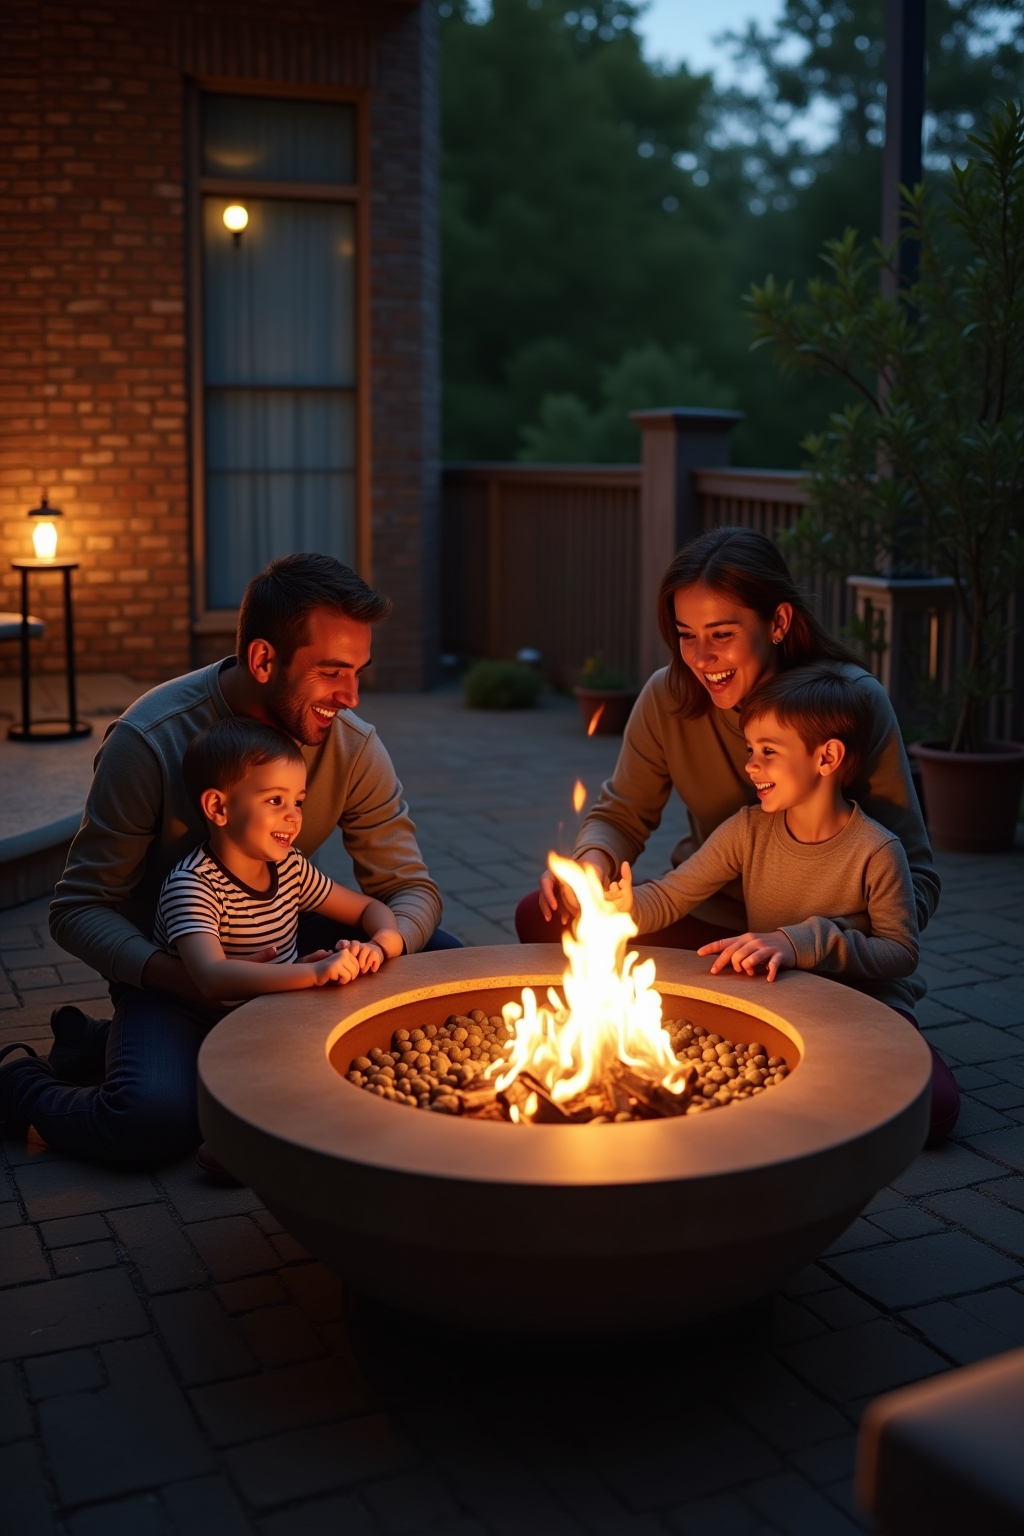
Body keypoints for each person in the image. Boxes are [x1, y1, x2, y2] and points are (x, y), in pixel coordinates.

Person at [0, 553, 454, 1164]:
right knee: (151, 1121)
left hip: (280, 932)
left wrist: (377, 948)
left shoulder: (351, 746)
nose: (350, 696)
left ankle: (99, 1045)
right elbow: (79, 909)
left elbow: (410, 894)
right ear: (264, 660)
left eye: (358, 672)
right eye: (331, 672)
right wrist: (184, 979)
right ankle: (20, 1084)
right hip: (172, 959)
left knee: (452, 967)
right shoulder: (149, 741)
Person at [518, 527, 940, 955]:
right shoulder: (669, 695)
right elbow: (622, 815)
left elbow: (916, 880)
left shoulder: (851, 702)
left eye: (722, 634)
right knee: (543, 916)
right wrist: (592, 868)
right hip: (702, 913)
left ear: (778, 622)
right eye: (686, 635)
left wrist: (812, 941)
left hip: (817, 941)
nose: (701, 658)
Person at [605, 665, 955, 1141]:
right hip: (781, 995)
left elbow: (900, 952)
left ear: (827, 757)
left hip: (863, 1001)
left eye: (768, 752)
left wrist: (803, 943)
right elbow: (674, 892)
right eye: (750, 749)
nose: (751, 765)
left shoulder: (877, 849)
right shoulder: (748, 830)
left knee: (933, 1113)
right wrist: (627, 905)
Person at [156, 719, 404, 1002]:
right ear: (218, 807)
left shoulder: (291, 868)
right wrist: (313, 973)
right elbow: (213, 978)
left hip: (271, 1011)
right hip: (198, 1019)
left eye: (298, 802)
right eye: (275, 800)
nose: (294, 816)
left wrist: (381, 943)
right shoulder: (192, 886)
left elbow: (368, 908)